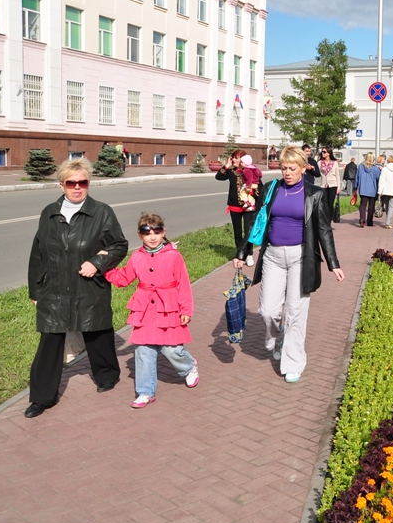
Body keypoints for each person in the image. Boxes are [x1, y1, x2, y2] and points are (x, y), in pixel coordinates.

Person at [25, 158, 129, 418]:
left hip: (89, 285)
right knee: (50, 339)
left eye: (82, 182)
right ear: (62, 185)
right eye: (71, 183)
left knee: (97, 331)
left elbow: (119, 245)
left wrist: (97, 263)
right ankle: (41, 397)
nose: (77, 187)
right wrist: (35, 291)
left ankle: (106, 375)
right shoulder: (49, 212)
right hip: (55, 289)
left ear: (88, 184)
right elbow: (38, 253)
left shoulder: (102, 212)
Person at [235, 146, 344, 383]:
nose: (287, 173)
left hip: (301, 258)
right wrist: (242, 252)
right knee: (268, 311)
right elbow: (257, 221)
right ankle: (277, 337)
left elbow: (324, 230)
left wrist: (333, 263)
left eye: (292, 168)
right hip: (273, 256)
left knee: (295, 313)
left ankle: (293, 363)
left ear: (304, 168)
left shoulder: (315, 193)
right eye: (284, 168)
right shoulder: (272, 189)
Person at [106, 213, 198, 408]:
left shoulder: (173, 255)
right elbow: (124, 278)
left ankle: (189, 367)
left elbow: (183, 284)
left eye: (157, 231)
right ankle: (145, 392)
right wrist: (105, 268)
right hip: (145, 309)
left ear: (163, 232)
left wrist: (186, 310)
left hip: (170, 308)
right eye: (147, 232)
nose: (153, 236)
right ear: (140, 235)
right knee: (143, 351)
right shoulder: (137, 257)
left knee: (172, 349)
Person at [216, 150, 258, 267]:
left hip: (248, 207)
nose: (233, 159)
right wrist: (227, 165)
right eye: (233, 157)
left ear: (243, 160)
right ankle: (239, 254)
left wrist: (254, 194)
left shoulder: (250, 171)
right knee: (237, 232)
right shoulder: (231, 171)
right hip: (234, 206)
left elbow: (259, 186)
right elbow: (218, 177)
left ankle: (249, 254)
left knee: (248, 232)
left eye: (236, 158)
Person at [353, 152, 382, 227]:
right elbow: (379, 179)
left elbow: (357, 177)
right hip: (373, 189)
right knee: (371, 206)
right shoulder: (376, 168)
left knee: (363, 205)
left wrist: (355, 187)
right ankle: (369, 221)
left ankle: (362, 219)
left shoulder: (360, 166)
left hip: (363, 189)